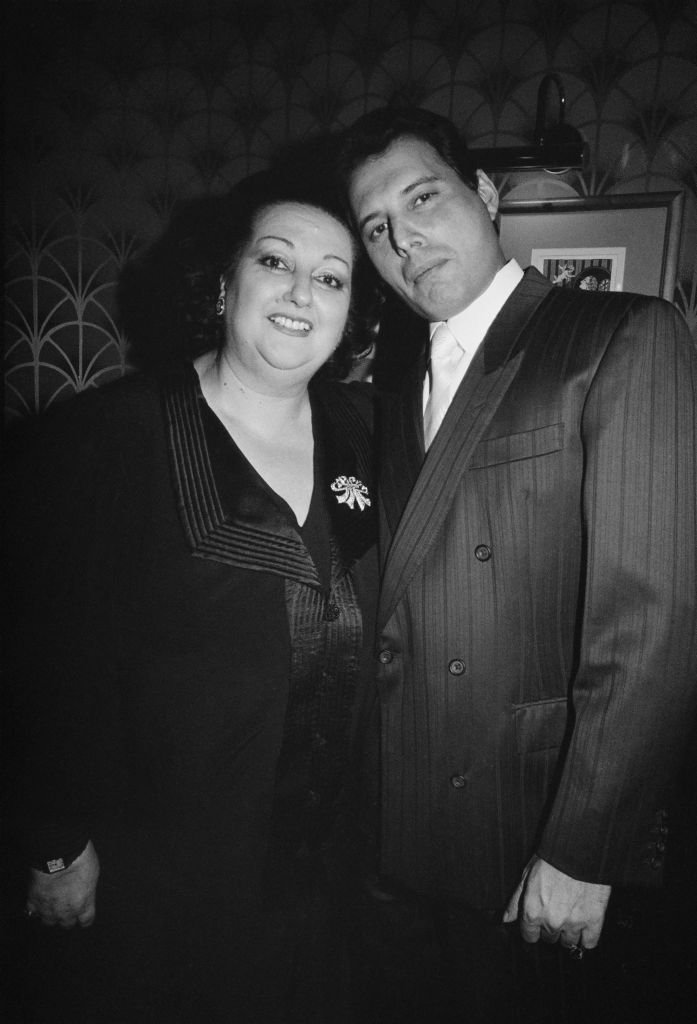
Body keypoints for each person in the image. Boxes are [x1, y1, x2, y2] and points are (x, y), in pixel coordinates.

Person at [336, 106, 697, 1022]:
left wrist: (585, 848)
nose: (403, 240)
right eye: (376, 229)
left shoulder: (621, 334)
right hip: (393, 828)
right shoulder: (392, 380)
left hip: (524, 827)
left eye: (423, 199)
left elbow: (652, 620)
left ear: (486, 194)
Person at [5, 169, 379, 1023]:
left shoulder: (368, 434)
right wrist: (55, 844)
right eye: (274, 261)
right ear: (222, 283)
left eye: (330, 277)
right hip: (160, 866)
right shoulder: (101, 442)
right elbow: (35, 658)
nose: (299, 292)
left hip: (325, 871)